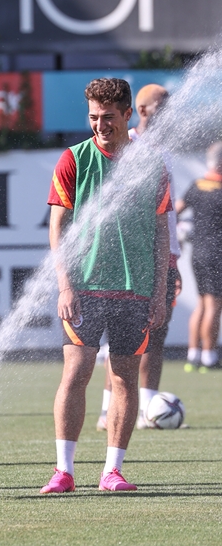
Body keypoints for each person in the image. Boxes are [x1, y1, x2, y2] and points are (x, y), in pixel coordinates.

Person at [41, 77, 171, 494]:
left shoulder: (150, 163)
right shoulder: (73, 159)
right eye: (94, 117)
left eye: (109, 117)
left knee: (124, 378)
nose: (100, 125)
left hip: (136, 289)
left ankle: (112, 471)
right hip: (84, 288)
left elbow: (161, 230)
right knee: (75, 373)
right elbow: (57, 226)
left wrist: (159, 290)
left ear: (128, 115)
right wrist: (65, 284)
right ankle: (64, 471)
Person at [96, 83, 182, 431]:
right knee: (121, 339)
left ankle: (149, 408)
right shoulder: (126, 147)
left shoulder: (165, 151)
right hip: (129, 259)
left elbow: (168, 215)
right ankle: (106, 411)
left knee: (158, 333)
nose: (171, 112)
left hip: (162, 258)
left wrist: (173, 259)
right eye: (163, 106)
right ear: (142, 110)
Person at [177, 141, 222, 372]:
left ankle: (193, 354)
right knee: (214, 304)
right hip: (217, 254)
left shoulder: (197, 185)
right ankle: (209, 357)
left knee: (202, 303)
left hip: (198, 253)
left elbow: (175, 210)